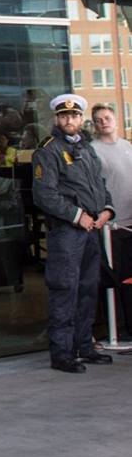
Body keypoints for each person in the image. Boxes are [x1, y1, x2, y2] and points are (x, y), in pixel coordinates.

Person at [32, 92, 114, 372]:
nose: (70, 120)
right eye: (64, 115)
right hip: (67, 232)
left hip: (91, 230)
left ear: (81, 118)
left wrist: (106, 209)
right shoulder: (48, 150)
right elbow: (45, 195)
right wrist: (78, 216)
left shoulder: (86, 148)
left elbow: (99, 184)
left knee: (89, 289)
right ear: (57, 118)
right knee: (65, 290)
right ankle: (63, 354)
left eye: (75, 115)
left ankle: (84, 346)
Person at [90, 103, 132, 341]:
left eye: (107, 117)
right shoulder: (93, 151)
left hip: (130, 224)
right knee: (115, 280)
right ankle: (119, 330)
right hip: (111, 228)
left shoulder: (127, 146)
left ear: (116, 119)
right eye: (98, 120)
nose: (103, 122)